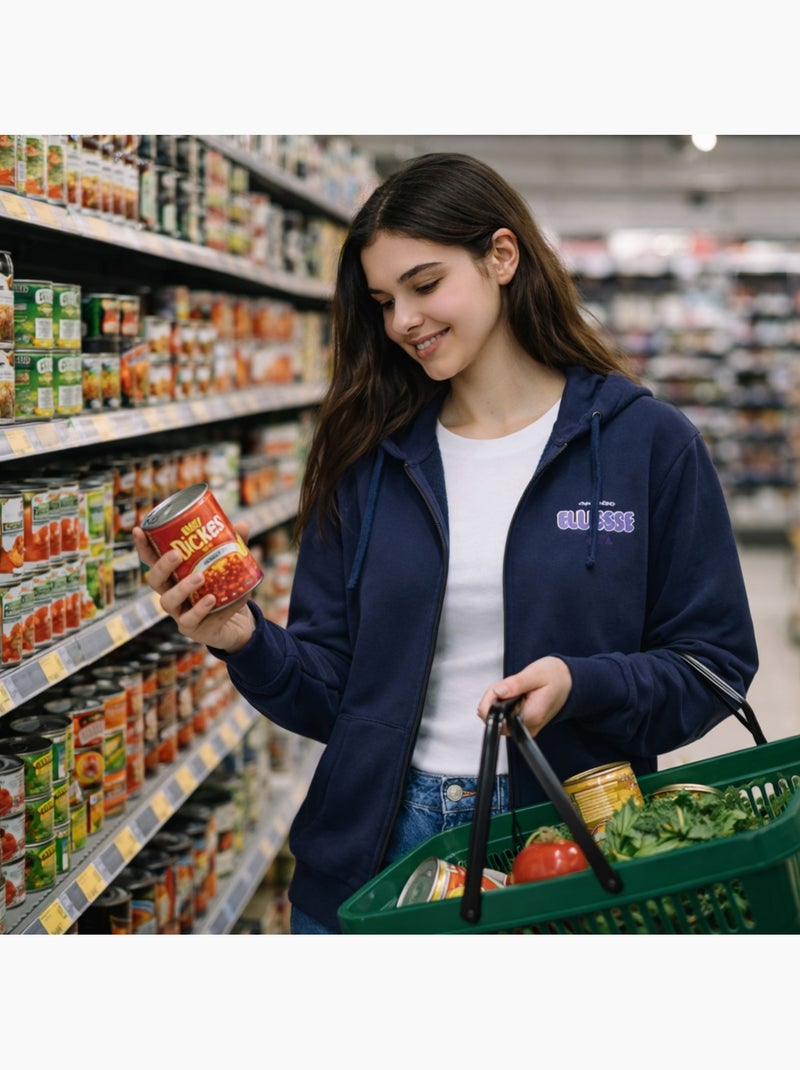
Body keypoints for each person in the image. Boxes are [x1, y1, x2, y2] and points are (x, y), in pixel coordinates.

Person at [132, 152, 758, 934]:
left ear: (502, 255)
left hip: (564, 850)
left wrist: (582, 683)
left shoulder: (647, 444)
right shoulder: (367, 455)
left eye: (425, 285)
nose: (402, 322)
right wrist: (247, 641)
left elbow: (715, 666)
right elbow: (334, 693)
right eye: (385, 301)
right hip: (378, 854)